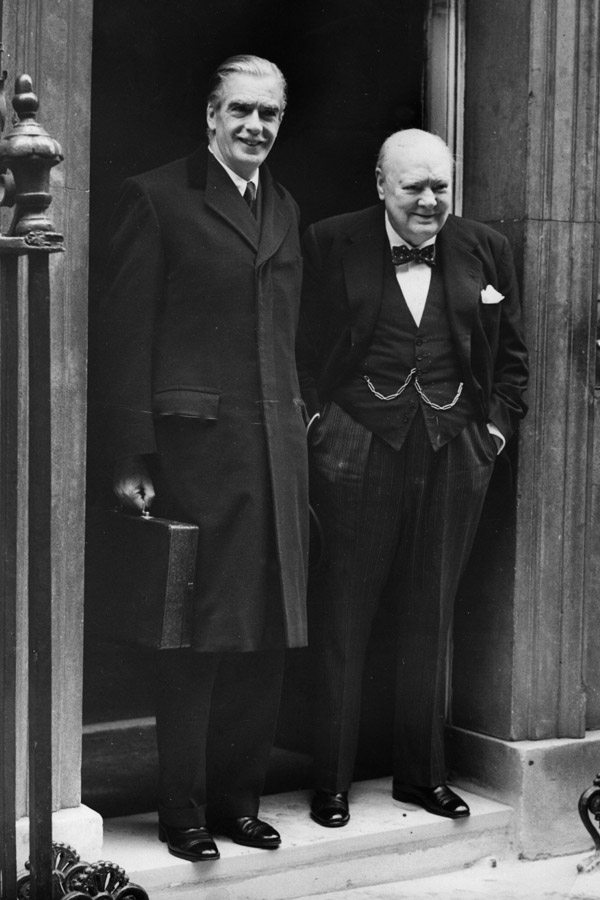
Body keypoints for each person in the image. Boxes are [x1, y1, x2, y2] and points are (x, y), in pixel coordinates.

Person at [96, 55, 308, 862]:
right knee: (193, 641)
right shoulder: (157, 198)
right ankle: (181, 812)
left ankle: (239, 803)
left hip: (276, 462)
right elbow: (124, 335)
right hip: (194, 457)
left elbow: (297, 337)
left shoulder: (285, 207)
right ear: (211, 116)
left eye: (270, 115)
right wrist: (129, 453)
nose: (256, 127)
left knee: (264, 636)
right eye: (242, 111)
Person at [296, 129, 528, 828]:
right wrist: (318, 426)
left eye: (441, 188)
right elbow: (297, 343)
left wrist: (493, 429)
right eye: (414, 188)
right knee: (344, 610)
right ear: (380, 185)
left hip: (455, 445)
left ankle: (420, 776)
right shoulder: (329, 240)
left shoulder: (486, 247)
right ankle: (331, 781)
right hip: (356, 443)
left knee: (432, 611)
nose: (430, 201)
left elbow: (512, 353)